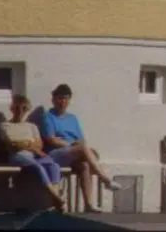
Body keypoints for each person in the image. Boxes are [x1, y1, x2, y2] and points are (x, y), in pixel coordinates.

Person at [40, 84, 120, 212]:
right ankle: (105, 179)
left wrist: (80, 147)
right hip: (55, 154)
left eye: (66, 99)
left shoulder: (72, 118)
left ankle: (88, 205)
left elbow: (81, 139)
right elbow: (52, 139)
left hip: (73, 153)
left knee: (85, 165)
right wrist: (72, 145)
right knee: (83, 148)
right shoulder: (48, 116)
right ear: (54, 100)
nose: (63, 102)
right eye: (60, 98)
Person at [0, 93, 65, 210]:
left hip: (34, 155)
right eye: (17, 107)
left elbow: (39, 144)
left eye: (24, 108)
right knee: (38, 167)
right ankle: (56, 196)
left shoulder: (32, 126)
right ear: (12, 108)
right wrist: (30, 145)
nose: (20, 110)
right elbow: (12, 144)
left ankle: (56, 198)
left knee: (53, 165)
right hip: (18, 156)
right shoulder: (5, 125)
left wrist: (26, 145)